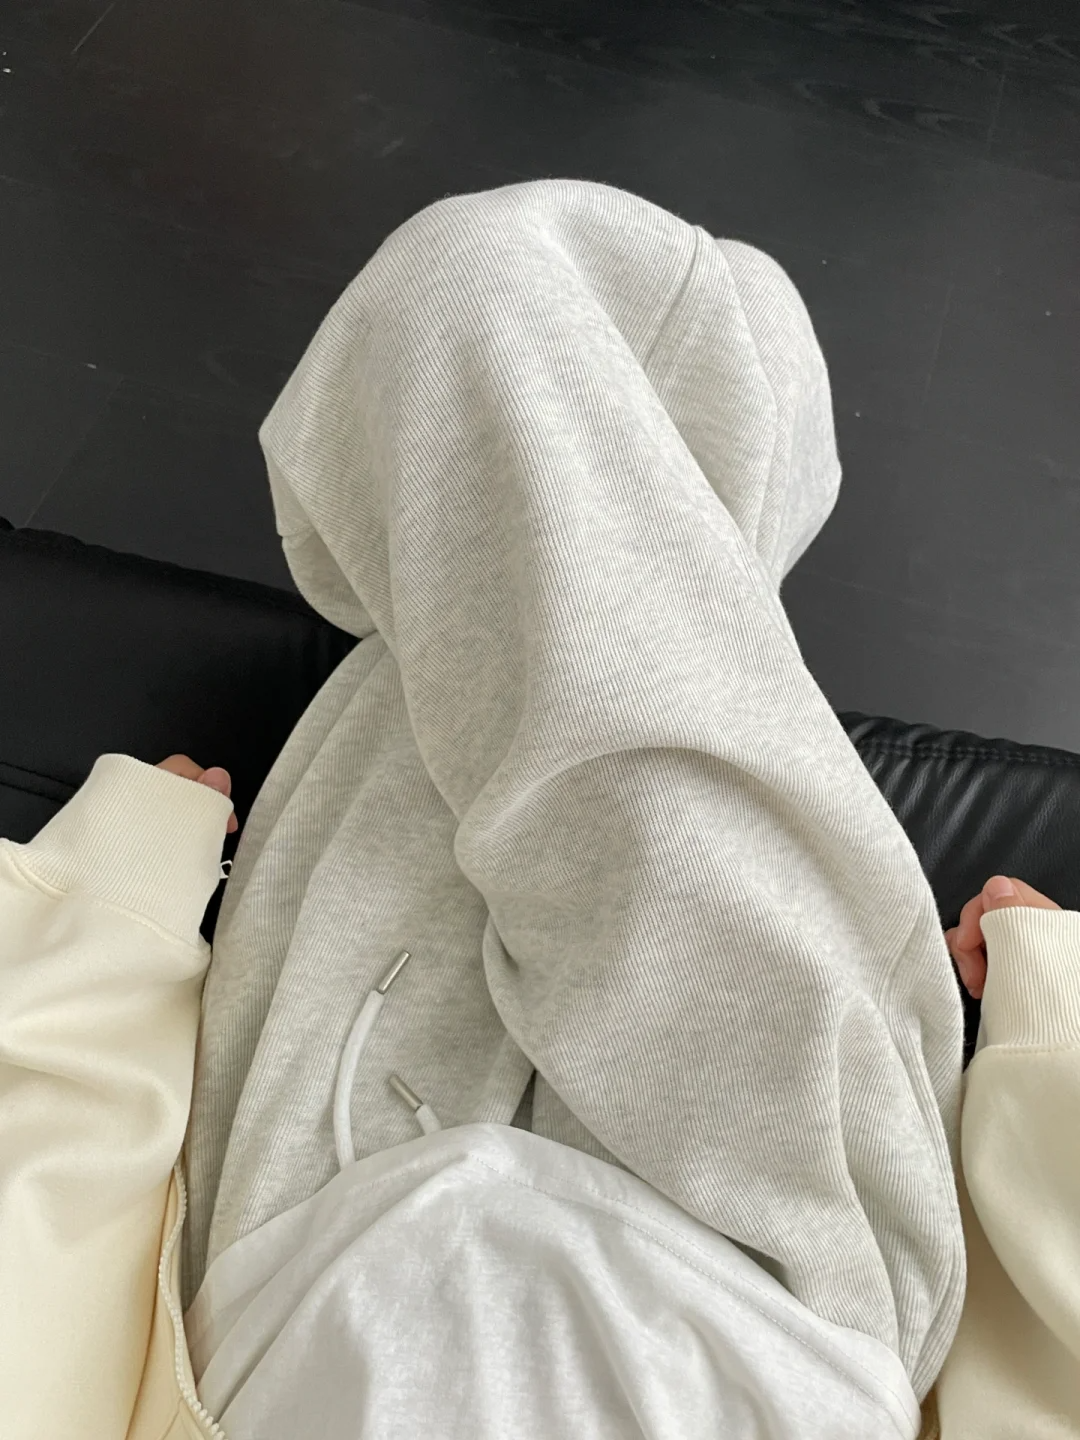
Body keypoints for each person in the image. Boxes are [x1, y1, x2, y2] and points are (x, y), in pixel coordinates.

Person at [2, 178, 1079, 1440]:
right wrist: (1052, 1057)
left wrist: (107, 930)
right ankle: (727, 450)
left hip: (312, 1248)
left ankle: (723, 448)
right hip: (790, 1302)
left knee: (476, 314)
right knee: (482, 298)